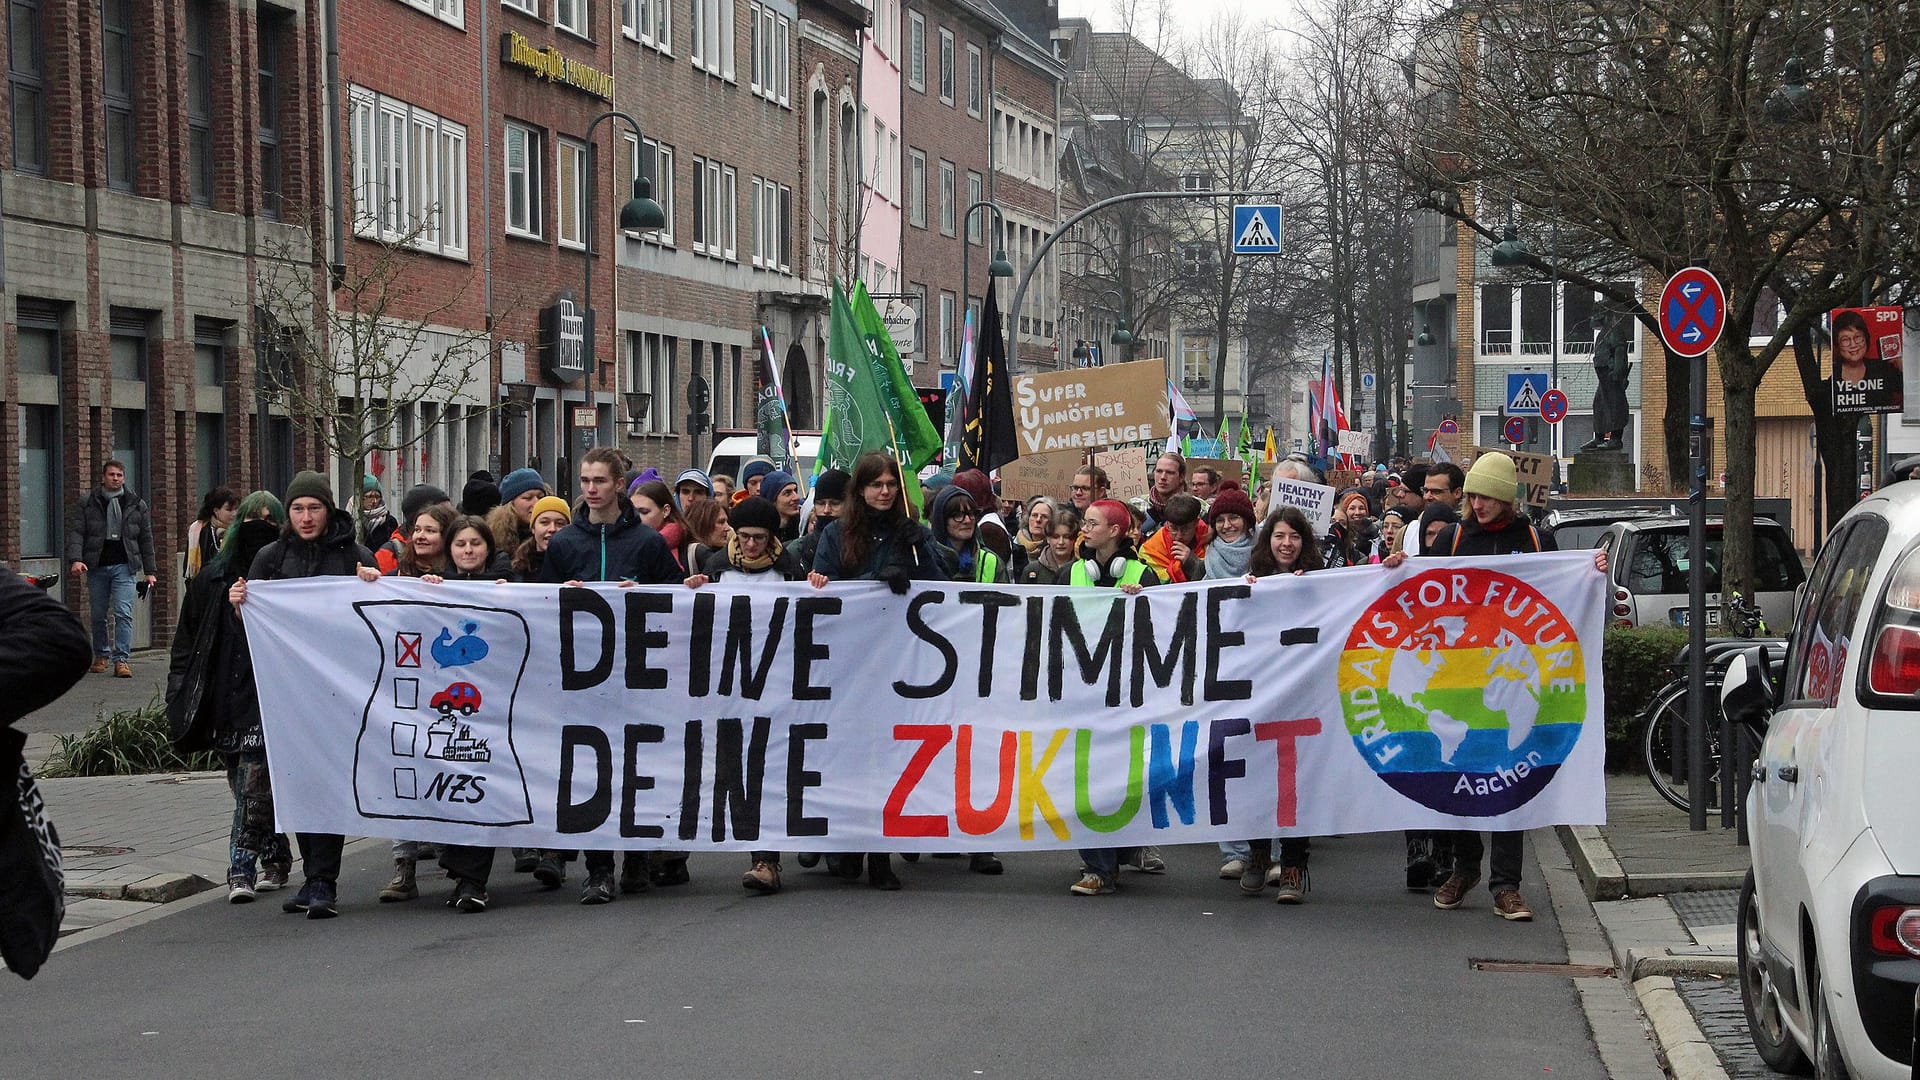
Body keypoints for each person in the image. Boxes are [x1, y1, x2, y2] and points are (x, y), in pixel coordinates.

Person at [1382, 452, 1607, 922]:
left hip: (1509, 674)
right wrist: (1400, 566)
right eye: (1473, 495)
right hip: (1461, 677)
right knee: (1460, 774)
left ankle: (1507, 885)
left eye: (1487, 496)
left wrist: (1590, 570)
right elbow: (1424, 591)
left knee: (1509, 779)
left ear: (1507, 497)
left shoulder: (1534, 539)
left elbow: (1559, 590)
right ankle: (1466, 868)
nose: (1477, 503)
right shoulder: (1453, 537)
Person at [228, 471, 378, 919]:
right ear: (287, 514)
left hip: (335, 695)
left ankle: (322, 880)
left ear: (328, 510)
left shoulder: (354, 554)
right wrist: (239, 605)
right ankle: (312, 875)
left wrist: (373, 582)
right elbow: (251, 631)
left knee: (327, 783)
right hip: (285, 695)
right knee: (299, 786)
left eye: (314, 508)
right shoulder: (270, 558)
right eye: (298, 509)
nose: (307, 517)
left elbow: (375, 620)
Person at [539, 446, 684, 904]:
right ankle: (598, 868)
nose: (590, 489)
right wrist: (562, 594)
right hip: (585, 677)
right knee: (592, 768)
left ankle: (638, 856)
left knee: (637, 764)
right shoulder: (565, 544)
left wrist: (643, 594)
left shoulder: (646, 543)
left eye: (599, 481)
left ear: (619, 485)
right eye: (584, 481)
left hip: (638, 673)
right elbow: (541, 606)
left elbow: (678, 602)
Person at [807, 451, 947, 891]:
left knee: (888, 758)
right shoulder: (836, 533)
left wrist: (918, 547)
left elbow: (944, 587)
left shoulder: (912, 534)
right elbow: (826, 584)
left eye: (890, 484)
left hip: (901, 663)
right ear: (861, 490)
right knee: (850, 756)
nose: (884, 492)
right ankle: (847, 844)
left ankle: (881, 855)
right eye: (876, 485)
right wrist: (872, 577)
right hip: (850, 665)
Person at [677, 497, 810, 895]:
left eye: (760, 538)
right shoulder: (715, 569)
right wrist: (690, 593)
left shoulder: (790, 573)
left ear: (773, 538)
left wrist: (817, 587)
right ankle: (759, 854)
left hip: (779, 689)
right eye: (744, 536)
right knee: (741, 770)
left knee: (768, 770)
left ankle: (766, 859)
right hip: (730, 690)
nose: (751, 545)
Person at [168, 491, 294, 903]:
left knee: (253, 784)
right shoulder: (212, 579)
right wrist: (179, 691)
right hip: (225, 696)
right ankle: (276, 854)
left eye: (269, 521)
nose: (261, 528)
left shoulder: (287, 576)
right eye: (253, 519)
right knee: (242, 784)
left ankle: (239, 868)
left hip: (269, 696)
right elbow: (187, 640)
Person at [1058, 499, 1164, 896]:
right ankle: (1097, 867)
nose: (1084, 529)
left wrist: (1144, 602)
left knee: (1122, 777)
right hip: (1080, 694)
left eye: (1092, 523)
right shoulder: (1071, 573)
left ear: (1116, 532)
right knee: (1084, 775)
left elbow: (1166, 626)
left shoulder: (1142, 574)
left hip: (1126, 694)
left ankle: (1121, 851)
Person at [355, 502, 457, 903]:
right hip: (405, 690)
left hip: (448, 693)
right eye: (417, 529)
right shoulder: (395, 578)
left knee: (447, 768)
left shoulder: (462, 578)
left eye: (431, 530)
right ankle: (404, 867)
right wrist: (368, 582)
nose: (421, 536)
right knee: (404, 774)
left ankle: (457, 856)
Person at [1233, 507, 1326, 902]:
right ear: (1267, 541)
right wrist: (1243, 593)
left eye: (1294, 537)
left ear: (1304, 543)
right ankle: (1256, 853)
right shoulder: (1250, 584)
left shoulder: (1322, 585)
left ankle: (1292, 865)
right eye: (1279, 536)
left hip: (1303, 701)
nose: (1286, 544)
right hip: (1259, 699)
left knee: (1294, 782)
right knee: (1257, 777)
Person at [67, 460, 158, 679]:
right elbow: (78, 532)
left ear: (124, 478)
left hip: (124, 566)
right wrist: (76, 559)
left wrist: (150, 571)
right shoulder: (88, 502)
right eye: (111, 475)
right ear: (103, 477)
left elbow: (146, 538)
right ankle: (101, 655)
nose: (115, 478)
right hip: (97, 565)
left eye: (119, 475)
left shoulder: (136, 503)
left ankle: (122, 660)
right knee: (98, 614)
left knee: (123, 612)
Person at [929, 485, 1010, 585]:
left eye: (971, 513)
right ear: (942, 520)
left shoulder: (991, 562)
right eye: (958, 515)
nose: (967, 520)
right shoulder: (925, 559)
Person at [1139, 493, 1209, 583]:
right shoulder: (1149, 550)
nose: (1179, 536)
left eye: (1185, 529)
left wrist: (1192, 563)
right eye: (1174, 528)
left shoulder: (1211, 540)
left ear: (1196, 523)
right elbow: (1155, 588)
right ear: (1167, 523)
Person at [790, 468, 849, 571]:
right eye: (821, 503)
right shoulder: (797, 550)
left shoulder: (866, 546)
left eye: (835, 503)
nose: (826, 510)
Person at [486, 467, 547, 564]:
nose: (537, 503)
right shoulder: (492, 540)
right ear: (511, 504)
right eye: (528, 498)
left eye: (540, 497)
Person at [630, 479, 691, 566]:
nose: (636, 518)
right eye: (633, 512)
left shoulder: (689, 550)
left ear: (665, 510)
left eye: (644, 512)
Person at [184, 487, 237, 581]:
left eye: (235, 509)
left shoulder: (238, 530)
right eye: (229, 510)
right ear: (215, 511)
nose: (234, 514)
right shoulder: (198, 531)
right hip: (203, 586)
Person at [1018, 509, 1081, 585]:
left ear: (1074, 539)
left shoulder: (1084, 568)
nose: (1061, 542)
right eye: (1055, 537)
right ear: (1048, 538)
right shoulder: (1032, 570)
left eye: (1066, 537)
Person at [1323, 489, 1377, 567]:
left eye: (1342, 523)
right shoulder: (1319, 547)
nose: (1357, 512)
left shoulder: (1376, 535)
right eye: (1333, 521)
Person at [1140, 453, 1187, 536]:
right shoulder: (1136, 504)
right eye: (1159, 471)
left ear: (1181, 477)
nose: (1163, 477)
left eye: (1170, 473)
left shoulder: (1200, 508)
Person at [682, 498, 732, 570]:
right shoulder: (702, 553)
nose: (728, 528)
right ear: (703, 524)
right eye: (721, 522)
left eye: (727, 522)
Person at [758, 470, 805, 542]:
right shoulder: (759, 530)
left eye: (795, 491)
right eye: (787, 493)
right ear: (772, 500)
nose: (796, 497)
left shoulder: (805, 526)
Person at [360, 477, 398, 551]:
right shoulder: (350, 519)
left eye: (377, 497)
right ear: (361, 497)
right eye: (369, 496)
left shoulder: (389, 522)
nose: (374, 501)